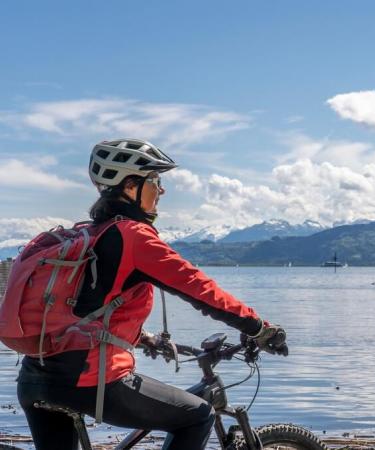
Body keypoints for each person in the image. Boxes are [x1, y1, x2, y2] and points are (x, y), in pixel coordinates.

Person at [17, 138, 288, 450]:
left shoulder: (90, 234)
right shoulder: (133, 237)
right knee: (199, 415)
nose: (162, 190)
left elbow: (85, 307)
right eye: (155, 181)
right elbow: (200, 289)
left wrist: (142, 336)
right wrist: (259, 327)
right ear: (131, 186)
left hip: (35, 378)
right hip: (90, 381)